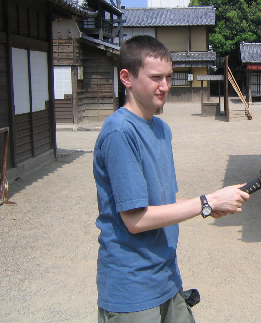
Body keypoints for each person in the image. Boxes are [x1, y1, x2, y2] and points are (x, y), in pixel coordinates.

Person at [93, 35, 250, 323]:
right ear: (126, 78)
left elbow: (164, 202)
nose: (165, 86)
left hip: (166, 276)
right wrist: (207, 201)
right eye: (155, 78)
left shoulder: (161, 129)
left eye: (168, 77)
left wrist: (207, 207)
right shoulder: (120, 133)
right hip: (132, 288)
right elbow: (135, 220)